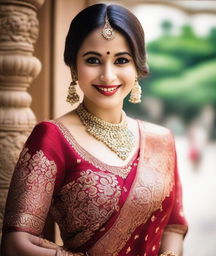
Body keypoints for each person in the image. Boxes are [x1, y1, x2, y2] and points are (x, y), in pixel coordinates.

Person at [1, 3, 188, 256]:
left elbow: (174, 225)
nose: (108, 75)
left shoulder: (161, 140)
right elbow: (16, 245)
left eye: (121, 60)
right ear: (73, 66)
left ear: (137, 68)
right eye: (93, 60)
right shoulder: (51, 138)